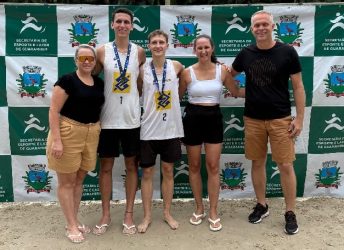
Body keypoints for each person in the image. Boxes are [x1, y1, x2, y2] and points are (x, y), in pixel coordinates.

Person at [231, 10, 305, 235]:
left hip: (281, 119)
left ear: (273, 27)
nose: (261, 28)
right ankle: (262, 205)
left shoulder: (288, 52)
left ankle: (290, 212)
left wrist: (300, 118)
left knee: (285, 165)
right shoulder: (245, 54)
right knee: (257, 163)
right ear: (251, 29)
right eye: (256, 25)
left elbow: (298, 86)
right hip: (253, 119)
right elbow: (229, 75)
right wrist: (238, 92)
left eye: (265, 24)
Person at [179, 34, 243, 232]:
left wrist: (265, 90)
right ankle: (199, 208)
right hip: (192, 119)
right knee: (195, 165)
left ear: (212, 48)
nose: (203, 51)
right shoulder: (187, 73)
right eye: (199, 48)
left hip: (213, 118)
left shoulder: (222, 71)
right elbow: (176, 98)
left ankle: (213, 211)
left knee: (213, 166)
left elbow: (236, 92)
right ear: (194, 50)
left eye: (206, 47)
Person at [92, 8, 146, 236]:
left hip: (132, 119)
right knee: (105, 168)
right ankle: (105, 214)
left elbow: (141, 84)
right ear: (112, 25)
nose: (123, 25)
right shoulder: (101, 51)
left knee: (132, 166)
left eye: (127, 22)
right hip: (108, 120)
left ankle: (128, 215)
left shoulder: (140, 52)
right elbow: (90, 78)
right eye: (119, 21)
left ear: (132, 26)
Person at [46, 44, 104, 243]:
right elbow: (53, 111)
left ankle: (73, 219)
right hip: (68, 132)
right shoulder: (67, 81)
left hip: (91, 133)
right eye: (82, 58)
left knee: (79, 180)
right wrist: (57, 141)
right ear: (76, 60)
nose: (86, 62)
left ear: (95, 62)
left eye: (90, 58)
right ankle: (71, 225)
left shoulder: (98, 83)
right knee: (67, 182)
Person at [136, 30, 184, 233]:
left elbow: (193, 77)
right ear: (149, 46)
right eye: (154, 42)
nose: (158, 45)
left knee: (167, 171)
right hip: (148, 128)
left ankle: (166, 213)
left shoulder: (176, 66)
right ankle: (147, 216)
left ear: (167, 45)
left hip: (171, 129)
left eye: (161, 42)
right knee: (147, 173)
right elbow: (138, 92)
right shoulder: (141, 69)